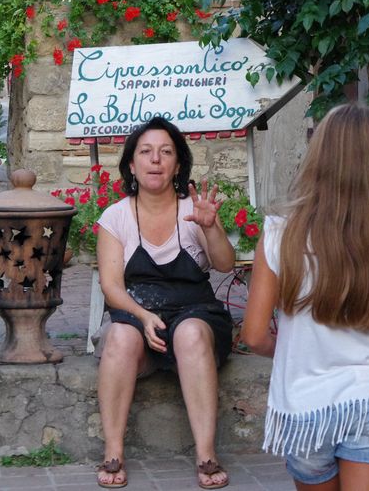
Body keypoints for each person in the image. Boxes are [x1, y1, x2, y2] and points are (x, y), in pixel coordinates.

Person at [241, 103, 369, 491]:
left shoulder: (277, 235)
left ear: (318, 157)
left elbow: (253, 335)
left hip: (304, 404)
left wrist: (291, 348)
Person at [94, 116, 235, 490]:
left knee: (188, 333)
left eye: (166, 152)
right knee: (121, 338)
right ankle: (113, 451)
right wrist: (141, 316)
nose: (155, 160)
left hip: (196, 315)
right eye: (146, 152)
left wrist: (211, 227)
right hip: (138, 316)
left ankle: (206, 454)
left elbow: (224, 264)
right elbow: (111, 286)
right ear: (131, 165)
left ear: (177, 164)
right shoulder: (116, 216)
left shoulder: (193, 210)